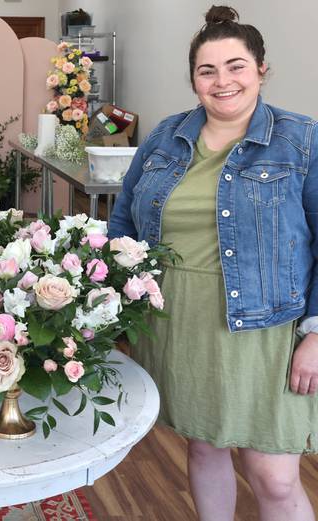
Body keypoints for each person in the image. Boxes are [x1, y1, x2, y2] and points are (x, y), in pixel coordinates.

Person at [108, 5, 318, 520]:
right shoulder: (165, 136)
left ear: (261, 69)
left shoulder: (302, 139)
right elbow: (121, 222)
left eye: (236, 66)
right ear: (194, 79)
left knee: (273, 474)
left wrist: (317, 334)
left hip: (267, 328)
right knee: (203, 446)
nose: (222, 81)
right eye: (207, 70)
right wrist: (122, 296)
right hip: (178, 320)